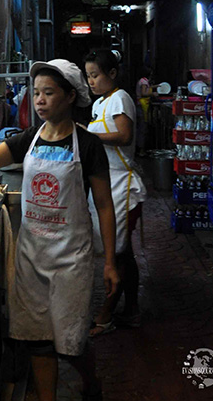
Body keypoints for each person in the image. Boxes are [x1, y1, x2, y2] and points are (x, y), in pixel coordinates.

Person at [0, 59, 118, 401]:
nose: (40, 100)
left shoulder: (89, 145)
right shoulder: (27, 140)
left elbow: (105, 206)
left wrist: (109, 261)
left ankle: (91, 383)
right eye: (36, 93)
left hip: (71, 258)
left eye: (49, 93)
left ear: (70, 96)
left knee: (72, 341)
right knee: (38, 339)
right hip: (32, 254)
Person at [84, 49, 147, 336]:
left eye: (95, 75)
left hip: (122, 187)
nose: (91, 82)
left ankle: (106, 314)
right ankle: (131, 309)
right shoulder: (100, 103)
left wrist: (88, 136)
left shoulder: (121, 98)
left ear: (112, 73)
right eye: (88, 77)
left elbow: (124, 136)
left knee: (118, 253)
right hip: (107, 184)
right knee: (123, 253)